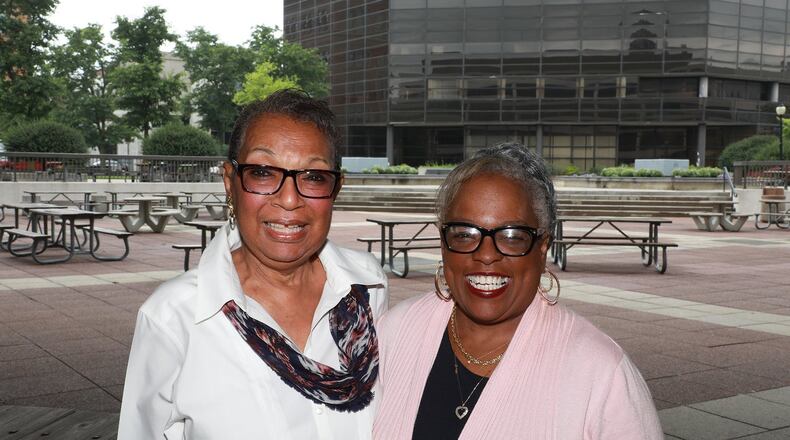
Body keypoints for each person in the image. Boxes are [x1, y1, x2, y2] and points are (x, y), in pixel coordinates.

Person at [118, 89, 388, 439]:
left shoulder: (368, 288)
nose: (290, 200)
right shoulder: (174, 317)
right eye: (262, 172)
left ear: (335, 188)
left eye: (314, 177)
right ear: (230, 182)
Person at [373, 143, 662, 439]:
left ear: (542, 248)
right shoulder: (395, 332)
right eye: (465, 234)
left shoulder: (601, 373)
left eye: (512, 236)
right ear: (444, 243)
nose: (486, 255)